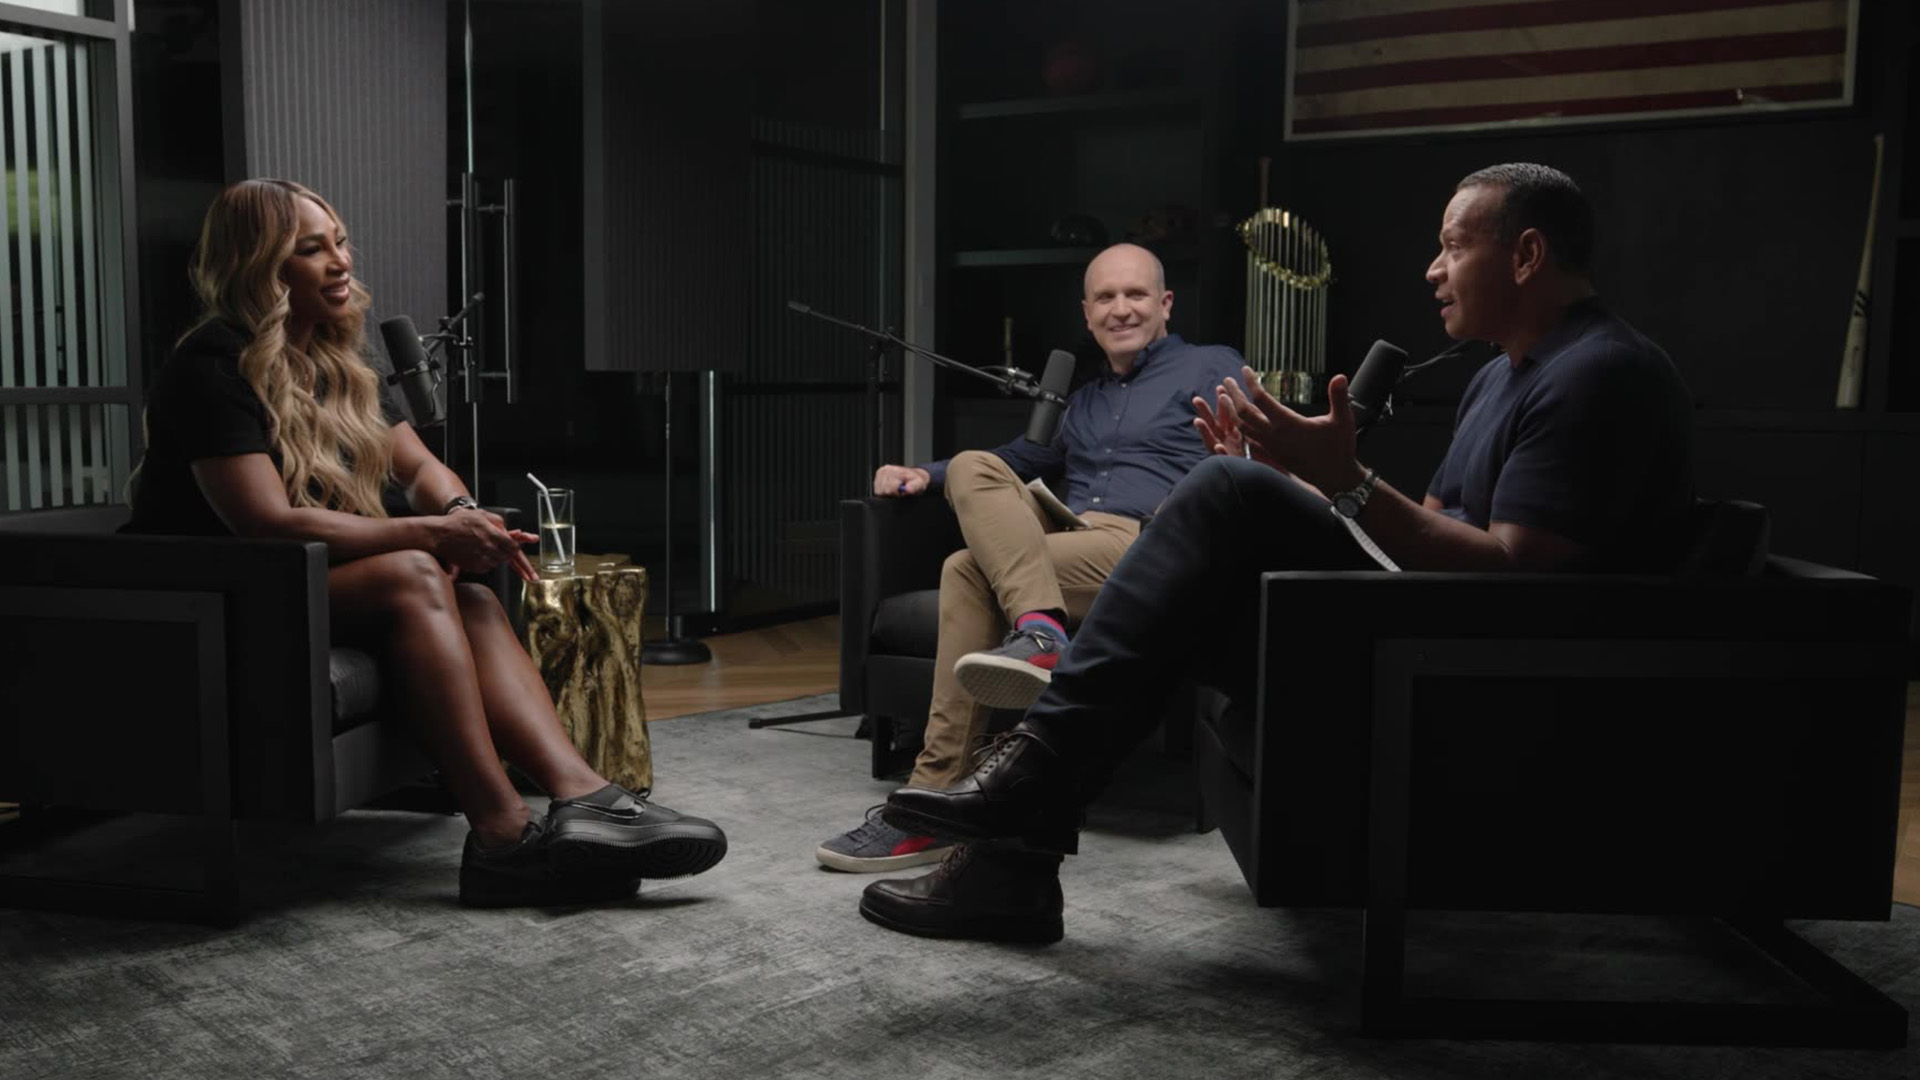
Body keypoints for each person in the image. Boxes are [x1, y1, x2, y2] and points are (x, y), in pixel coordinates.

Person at [863, 163, 1696, 942]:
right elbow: (1430, 529)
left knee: (1221, 498)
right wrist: (1295, 479)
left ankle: (1024, 801)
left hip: (1476, 679)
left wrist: (1343, 479)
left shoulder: (1599, 372)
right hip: (1425, 634)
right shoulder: (1498, 377)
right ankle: (1015, 859)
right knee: (1210, 534)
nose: (1433, 270)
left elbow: (1512, 579)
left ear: (1526, 254)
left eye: (1452, 246)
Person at [125, 179, 728, 908]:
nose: (341, 262)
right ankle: (502, 836)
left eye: (340, 242)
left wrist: (464, 513)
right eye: (312, 249)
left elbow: (418, 469)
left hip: (297, 584)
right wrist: (432, 533)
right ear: (259, 266)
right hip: (209, 599)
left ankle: (584, 796)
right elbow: (267, 524)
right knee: (416, 570)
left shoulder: (334, 362)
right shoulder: (212, 365)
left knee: (472, 598)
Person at [816, 243, 1246, 873]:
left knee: (967, 569)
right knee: (973, 471)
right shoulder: (1085, 400)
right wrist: (924, 473)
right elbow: (1020, 461)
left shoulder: (1211, 366)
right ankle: (1038, 628)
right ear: (1087, 313)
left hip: (1152, 544)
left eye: (1136, 294)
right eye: (1105, 297)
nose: (1121, 309)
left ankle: (932, 794)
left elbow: (1253, 449)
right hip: (1070, 540)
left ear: (1165, 304)